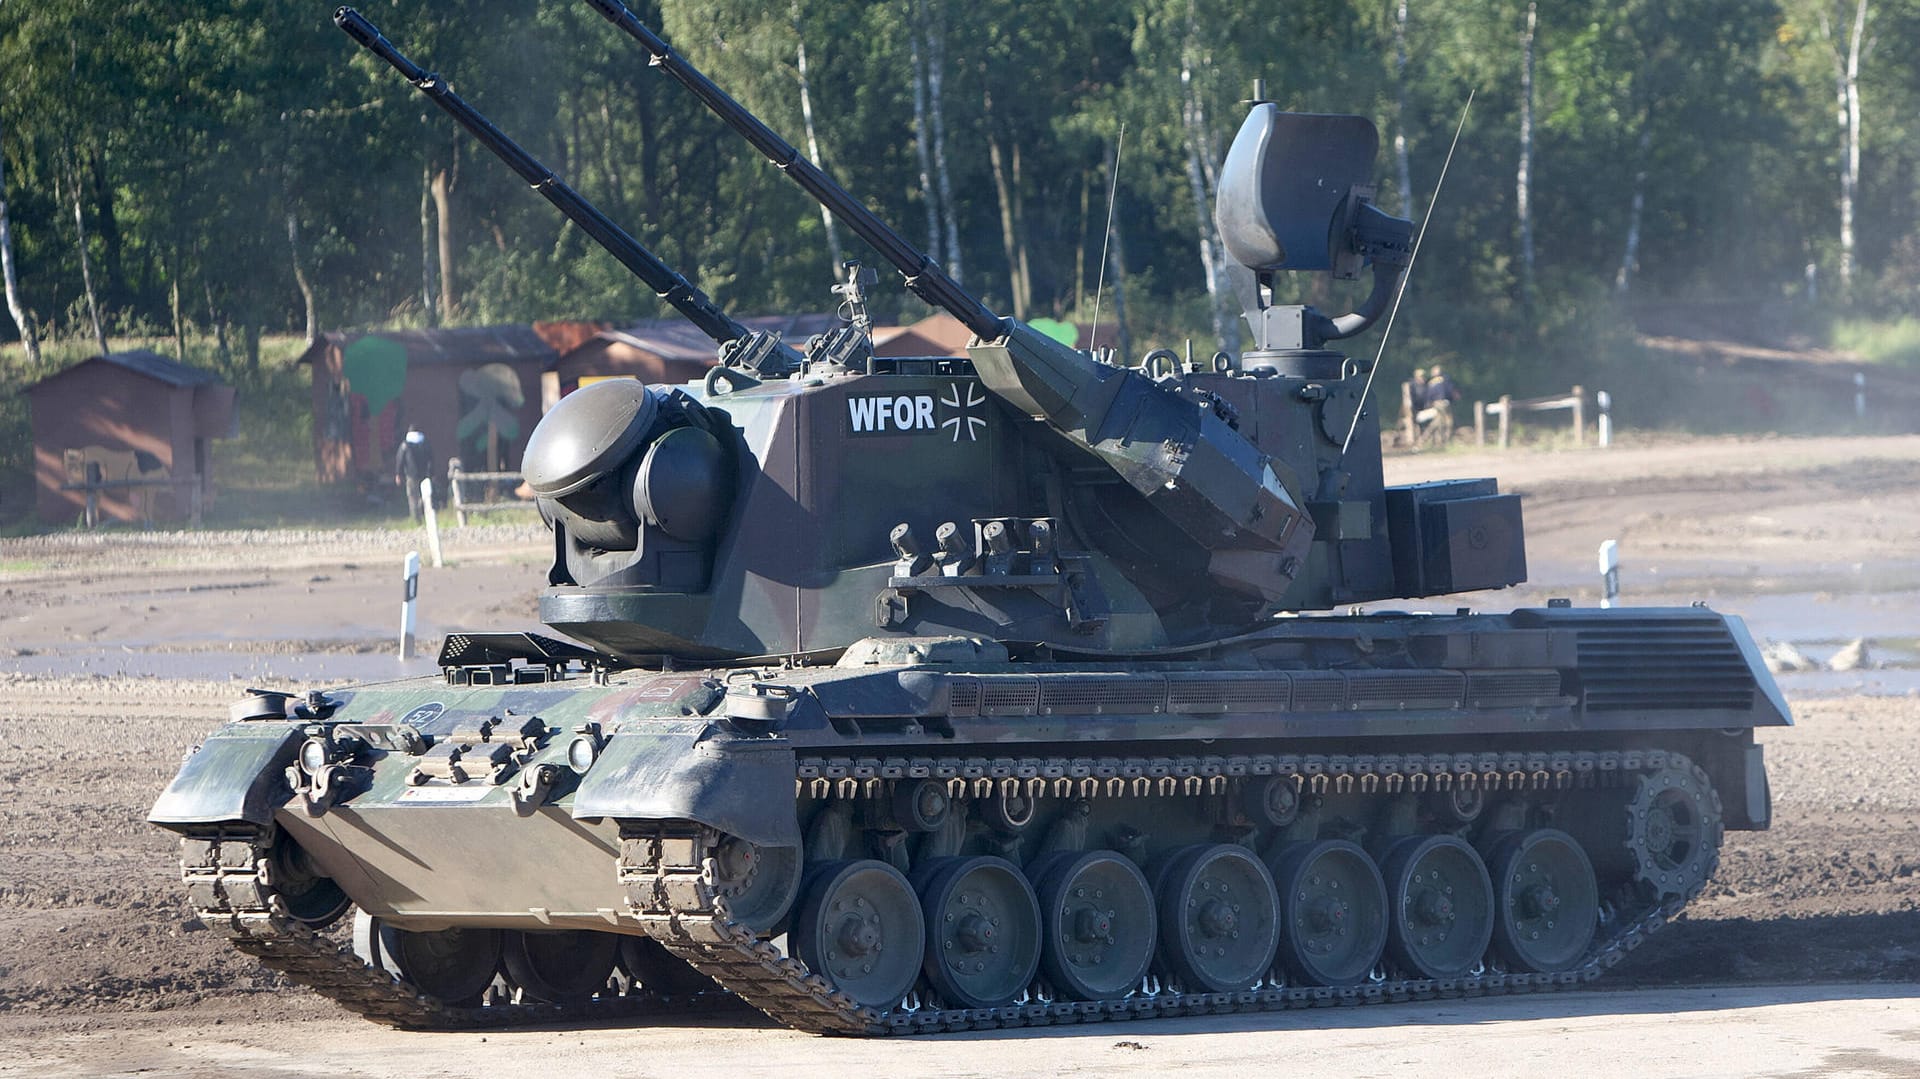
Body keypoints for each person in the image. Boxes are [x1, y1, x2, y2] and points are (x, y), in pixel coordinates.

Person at [394, 426, 434, 521]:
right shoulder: (425, 443)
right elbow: (431, 459)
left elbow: (400, 459)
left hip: (411, 475)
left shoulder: (405, 444)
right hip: (424, 474)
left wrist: (398, 473)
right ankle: (423, 512)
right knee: (424, 495)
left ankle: (415, 517)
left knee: (412, 496)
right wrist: (432, 472)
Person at [1418, 363, 1462, 446]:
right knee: (1449, 422)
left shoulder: (1431, 383)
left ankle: (1426, 440)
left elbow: (1428, 395)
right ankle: (1446, 440)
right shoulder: (1445, 379)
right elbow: (1450, 391)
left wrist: (1428, 404)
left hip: (1435, 404)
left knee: (1438, 421)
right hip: (1444, 403)